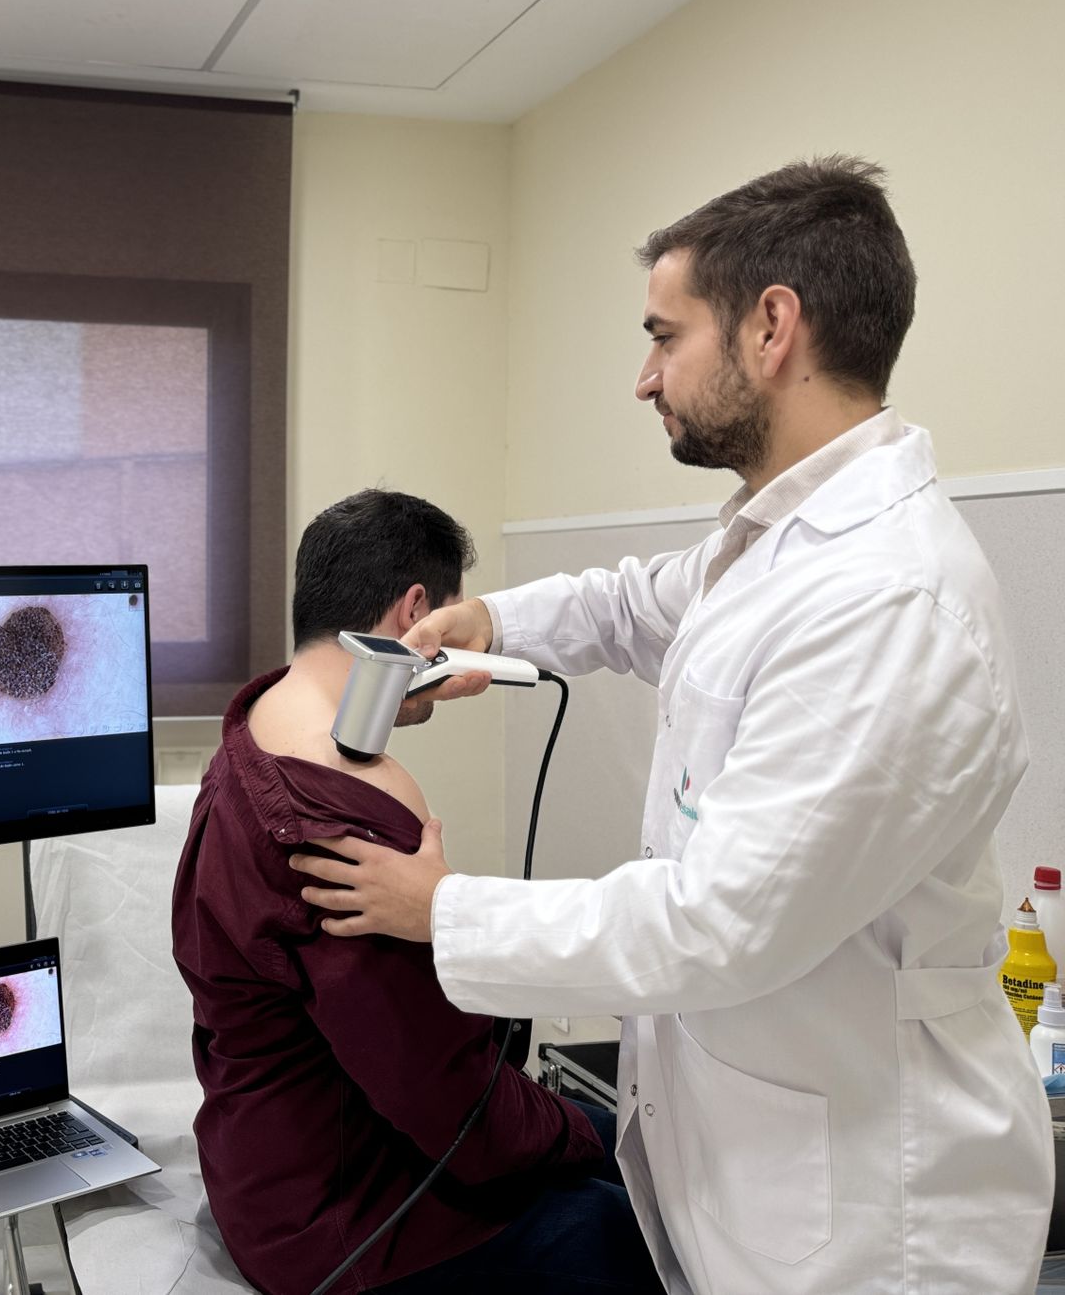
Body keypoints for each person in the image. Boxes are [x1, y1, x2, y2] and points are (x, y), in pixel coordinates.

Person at [290, 159, 1051, 1295]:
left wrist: (440, 909)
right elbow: (641, 602)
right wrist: (487, 620)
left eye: (664, 335)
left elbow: (714, 925)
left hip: (866, 1224)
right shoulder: (782, 528)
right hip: (748, 1162)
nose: (644, 379)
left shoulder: (887, 600)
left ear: (770, 328)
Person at [172, 488, 663, 1295]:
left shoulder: (254, 730)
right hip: (343, 1224)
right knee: (627, 1205)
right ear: (416, 613)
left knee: (630, 1150)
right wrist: (575, 1131)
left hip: (263, 1177)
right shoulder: (351, 810)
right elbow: (452, 1107)